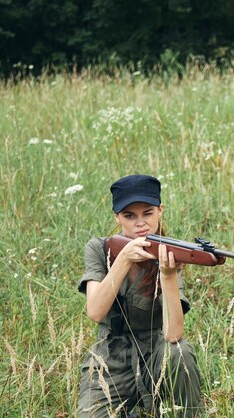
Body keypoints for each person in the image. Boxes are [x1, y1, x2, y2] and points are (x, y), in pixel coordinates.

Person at [77, 174, 201, 417]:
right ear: (116, 216)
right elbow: (95, 311)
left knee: (180, 352)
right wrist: (123, 259)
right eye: (129, 216)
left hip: (156, 353)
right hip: (110, 357)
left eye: (148, 212)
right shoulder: (99, 249)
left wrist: (167, 275)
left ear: (160, 211)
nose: (140, 223)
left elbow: (173, 334)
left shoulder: (169, 251)